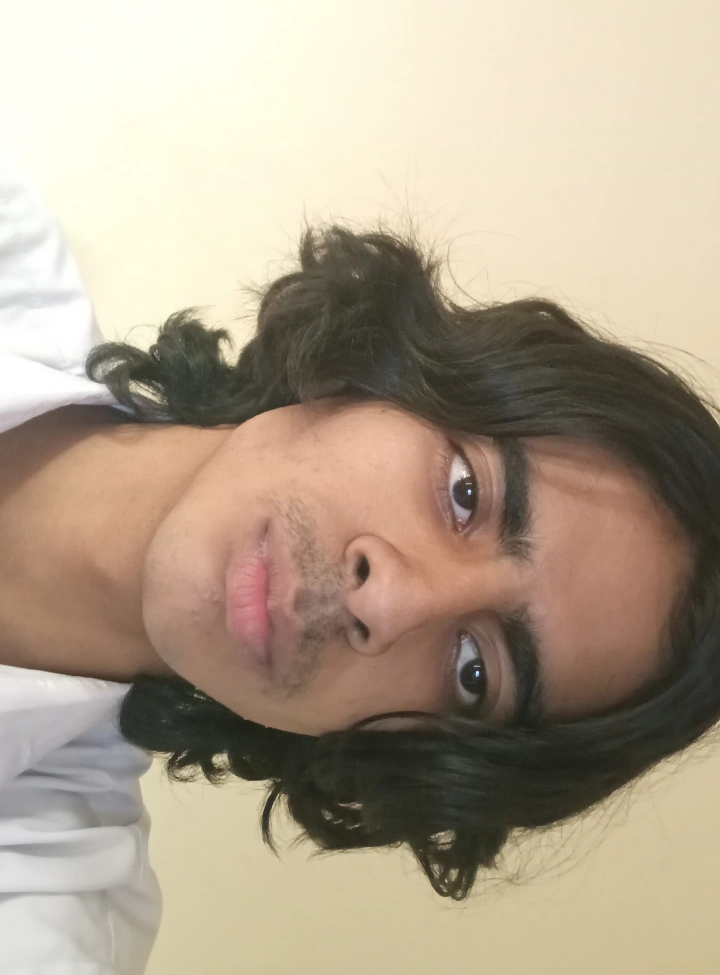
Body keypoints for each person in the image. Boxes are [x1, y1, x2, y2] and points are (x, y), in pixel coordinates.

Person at [1, 154, 719, 972]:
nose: (393, 603)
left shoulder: (47, 916)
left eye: (475, 672)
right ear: (376, 372)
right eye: (465, 494)